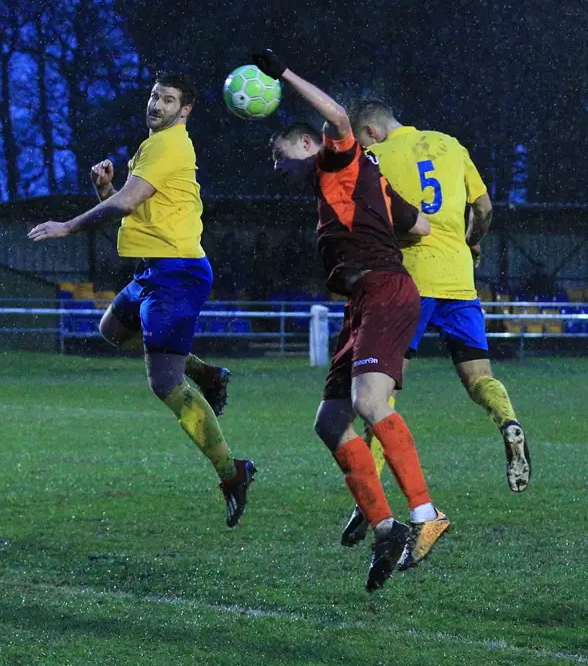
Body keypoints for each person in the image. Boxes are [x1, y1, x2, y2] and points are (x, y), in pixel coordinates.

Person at [254, 49, 446, 592]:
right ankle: (385, 529)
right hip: (363, 300)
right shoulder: (365, 179)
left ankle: (427, 515)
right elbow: (422, 228)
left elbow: (339, 119)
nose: (277, 166)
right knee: (330, 421)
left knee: (369, 403)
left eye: (279, 153)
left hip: (384, 290)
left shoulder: (336, 160)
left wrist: (282, 73)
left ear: (307, 144)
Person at [28, 72, 256, 527]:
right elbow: (136, 216)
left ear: (184, 110)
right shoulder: (152, 147)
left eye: (168, 99)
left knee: (164, 384)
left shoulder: (168, 145)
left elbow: (128, 206)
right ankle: (208, 373)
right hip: (154, 270)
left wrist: (69, 225)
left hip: (177, 274)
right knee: (111, 329)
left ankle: (233, 474)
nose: (156, 104)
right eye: (154, 96)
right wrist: (105, 193)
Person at [339, 100, 532, 544]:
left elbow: (374, 221)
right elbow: (482, 207)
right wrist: (470, 243)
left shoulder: (376, 158)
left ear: (368, 131)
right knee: (479, 376)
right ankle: (508, 424)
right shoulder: (451, 145)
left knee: (378, 393)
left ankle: (365, 499)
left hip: (408, 283)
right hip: (459, 279)